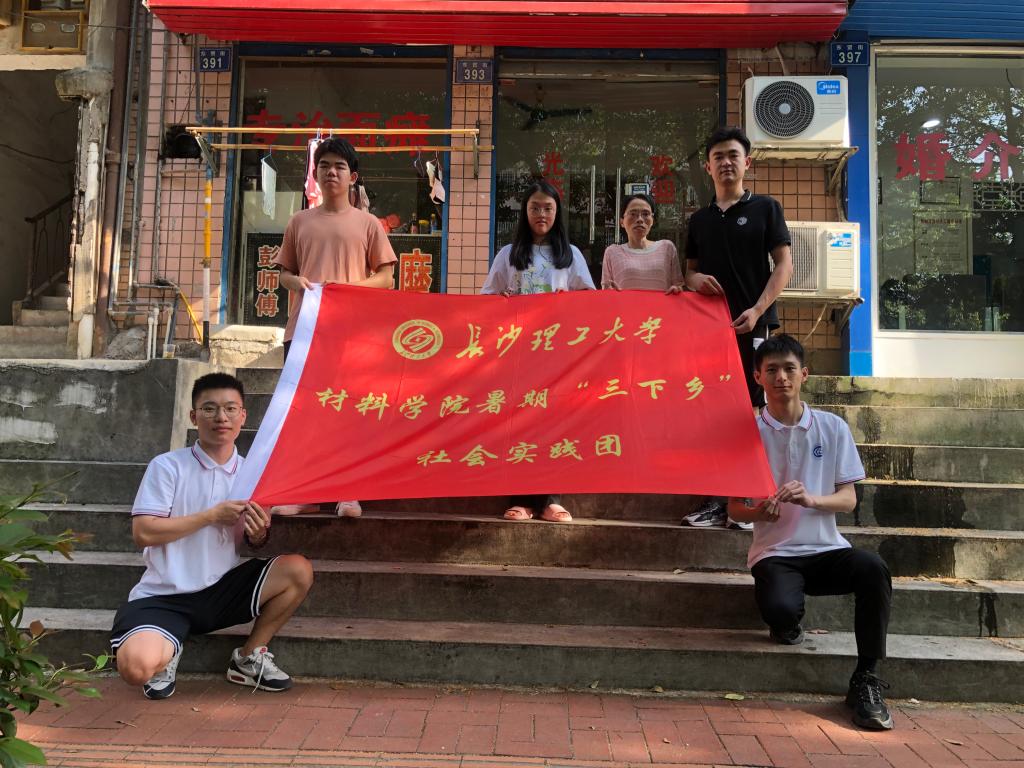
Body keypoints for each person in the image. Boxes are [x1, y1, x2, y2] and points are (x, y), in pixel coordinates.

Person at [109, 373, 314, 700]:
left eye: (231, 409)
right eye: (210, 408)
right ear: (194, 416)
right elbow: (144, 532)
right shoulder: (167, 466)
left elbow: (254, 541)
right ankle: (167, 649)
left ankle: (248, 657)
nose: (221, 417)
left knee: (298, 570)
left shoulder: (252, 475)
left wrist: (258, 534)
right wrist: (209, 516)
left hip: (221, 590)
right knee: (135, 668)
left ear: (243, 416)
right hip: (165, 596)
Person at [728, 335, 894, 731]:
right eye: (771, 370)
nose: (781, 377)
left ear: (804, 374)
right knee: (781, 611)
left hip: (826, 550)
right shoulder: (746, 432)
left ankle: (866, 678)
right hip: (775, 554)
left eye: (789, 369)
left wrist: (812, 500)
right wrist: (759, 513)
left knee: (873, 568)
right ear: (757, 377)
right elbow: (734, 509)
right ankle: (787, 621)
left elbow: (848, 500)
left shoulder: (832, 428)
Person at [274, 137, 397, 518]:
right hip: (304, 331)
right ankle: (304, 492)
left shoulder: (368, 224)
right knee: (304, 413)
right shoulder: (299, 221)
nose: (332, 172)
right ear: (315, 174)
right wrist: (299, 283)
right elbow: (284, 274)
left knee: (349, 412)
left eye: (340, 167)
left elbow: (387, 278)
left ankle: (348, 492)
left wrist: (348, 290)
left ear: (352, 176)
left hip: (353, 335)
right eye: (324, 166)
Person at [682, 125, 793, 529]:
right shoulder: (699, 220)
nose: (726, 163)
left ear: (747, 162)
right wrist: (694, 280)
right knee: (714, 413)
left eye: (733, 155)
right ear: (707, 167)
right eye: (718, 157)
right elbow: (689, 273)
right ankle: (717, 501)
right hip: (710, 332)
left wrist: (758, 309)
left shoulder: (766, 208)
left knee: (753, 411)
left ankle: (748, 498)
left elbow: (784, 265)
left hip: (754, 328)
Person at [482, 179, 595, 522]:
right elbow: (487, 299)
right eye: (535, 207)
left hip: (556, 356)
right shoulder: (508, 254)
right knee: (519, 424)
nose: (541, 214)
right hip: (518, 355)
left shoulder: (570, 255)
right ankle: (521, 500)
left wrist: (569, 303)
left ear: (557, 212)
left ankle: (550, 500)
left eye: (548, 208)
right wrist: (501, 301)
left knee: (553, 425)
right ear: (525, 212)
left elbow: (590, 300)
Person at [601, 193, 685, 294]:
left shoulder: (667, 248)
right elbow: (606, 290)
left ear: (652, 220)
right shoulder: (612, 252)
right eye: (633, 214)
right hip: (625, 304)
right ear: (622, 221)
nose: (640, 219)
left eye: (645, 214)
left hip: (660, 305)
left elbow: (678, 286)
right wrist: (609, 291)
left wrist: (677, 289)